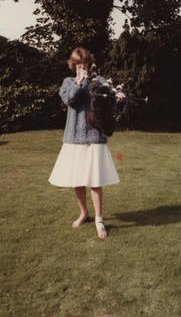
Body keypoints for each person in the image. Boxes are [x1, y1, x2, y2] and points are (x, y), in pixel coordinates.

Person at [49, 47, 125, 239]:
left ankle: (99, 219)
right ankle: (84, 213)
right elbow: (69, 100)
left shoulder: (98, 81)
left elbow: (112, 106)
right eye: (77, 64)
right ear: (73, 65)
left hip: (94, 136)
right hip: (74, 137)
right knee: (77, 180)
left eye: (84, 64)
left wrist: (120, 100)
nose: (81, 67)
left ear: (89, 64)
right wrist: (79, 82)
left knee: (95, 181)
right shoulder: (68, 82)